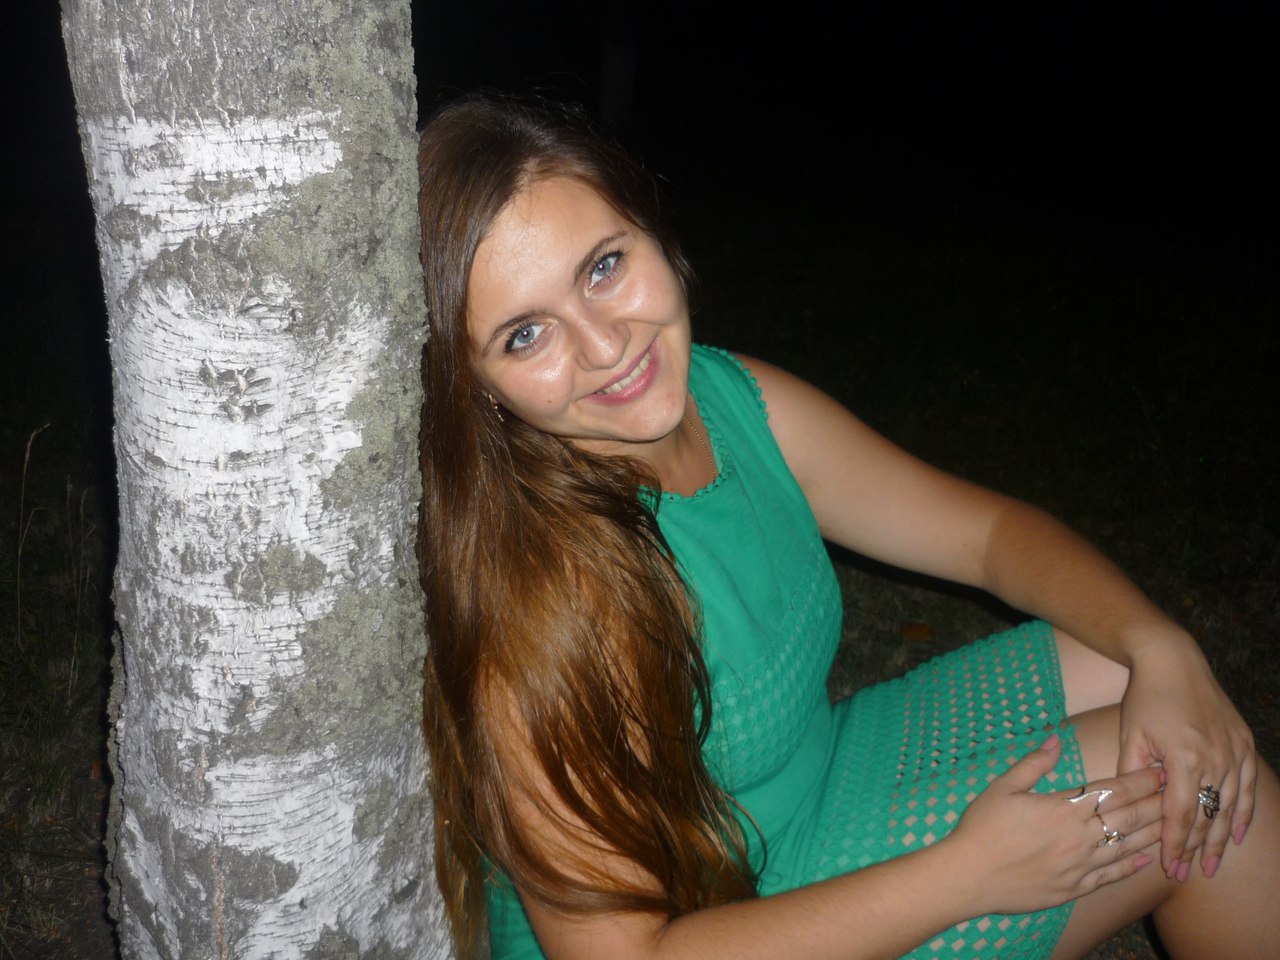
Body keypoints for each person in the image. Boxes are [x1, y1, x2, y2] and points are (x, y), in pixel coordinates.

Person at [415, 94, 1278, 960]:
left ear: (652, 232)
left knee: (1142, 672)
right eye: (526, 335)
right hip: (730, 918)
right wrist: (969, 875)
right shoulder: (534, 606)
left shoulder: (729, 398)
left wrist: (1166, 649)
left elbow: (985, 536)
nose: (606, 347)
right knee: (1195, 786)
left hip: (827, 770)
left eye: (604, 267)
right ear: (474, 388)